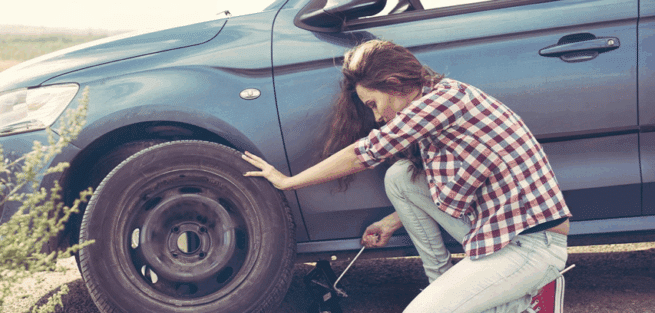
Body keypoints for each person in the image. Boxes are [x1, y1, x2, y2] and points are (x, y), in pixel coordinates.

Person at [242, 40, 572, 312]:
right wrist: (391, 221)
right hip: (502, 229)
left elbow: (363, 154)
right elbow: (452, 183)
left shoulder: (440, 102)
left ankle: (524, 296)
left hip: (530, 244)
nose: (378, 117)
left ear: (394, 83)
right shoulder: (442, 98)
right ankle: (454, 286)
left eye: (373, 103)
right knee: (401, 176)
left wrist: (287, 181)